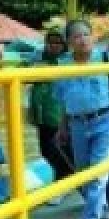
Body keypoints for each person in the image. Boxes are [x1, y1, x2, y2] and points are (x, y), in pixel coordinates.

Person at [54, 18, 109, 219]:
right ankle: (103, 208)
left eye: (85, 35)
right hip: (77, 123)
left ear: (93, 37)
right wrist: (63, 126)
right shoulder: (63, 65)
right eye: (76, 36)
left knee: (97, 170)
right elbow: (63, 99)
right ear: (69, 41)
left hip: (105, 120)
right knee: (83, 171)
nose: (82, 40)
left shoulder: (105, 58)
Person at [27, 29, 73, 204]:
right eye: (50, 42)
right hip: (41, 112)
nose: (53, 46)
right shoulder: (38, 58)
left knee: (57, 150)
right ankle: (65, 181)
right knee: (45, 150)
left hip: (59, 113)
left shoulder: (66, 61)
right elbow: (21, 72)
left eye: (57, 42)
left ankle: (62, 185)